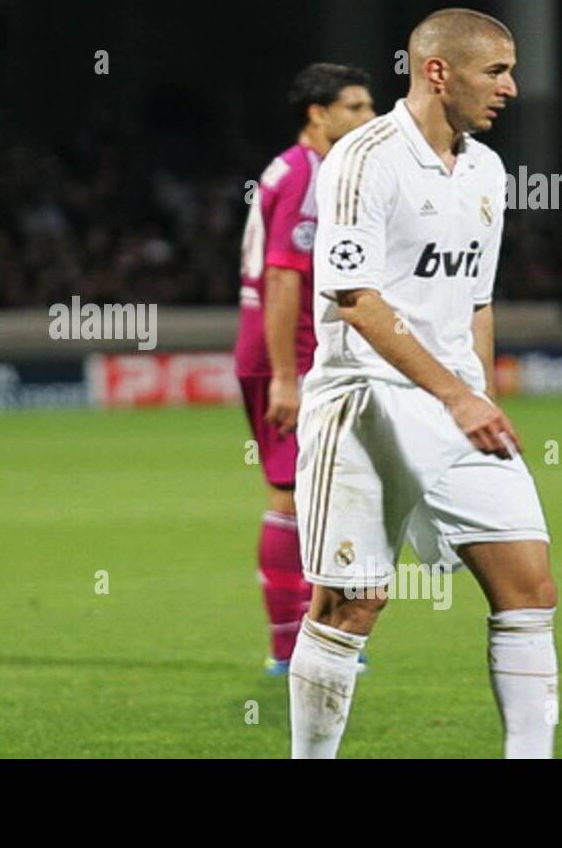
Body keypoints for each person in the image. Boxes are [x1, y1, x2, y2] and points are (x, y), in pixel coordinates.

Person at [290, 9, 558, 757]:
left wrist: (481, 393)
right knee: (352, 603)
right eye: (496, 71)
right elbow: (357, 299)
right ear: (438, 71)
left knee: (530, 590)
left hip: (458, 406)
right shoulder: (363, 159)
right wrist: (456, 393)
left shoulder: (486, 168)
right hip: (365, 402)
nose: (511, 86)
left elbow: (476, 298)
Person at [235, 64, 374, 674]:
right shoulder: (308, 175)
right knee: (292, 493)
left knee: (313, 492)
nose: (369, 120)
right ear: (318, 114)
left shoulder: (296, 170)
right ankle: (289, 647)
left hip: (286, 351)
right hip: (284, 354)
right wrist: (288, 377)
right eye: (356, 108)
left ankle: (303, 639)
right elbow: (284, 276)